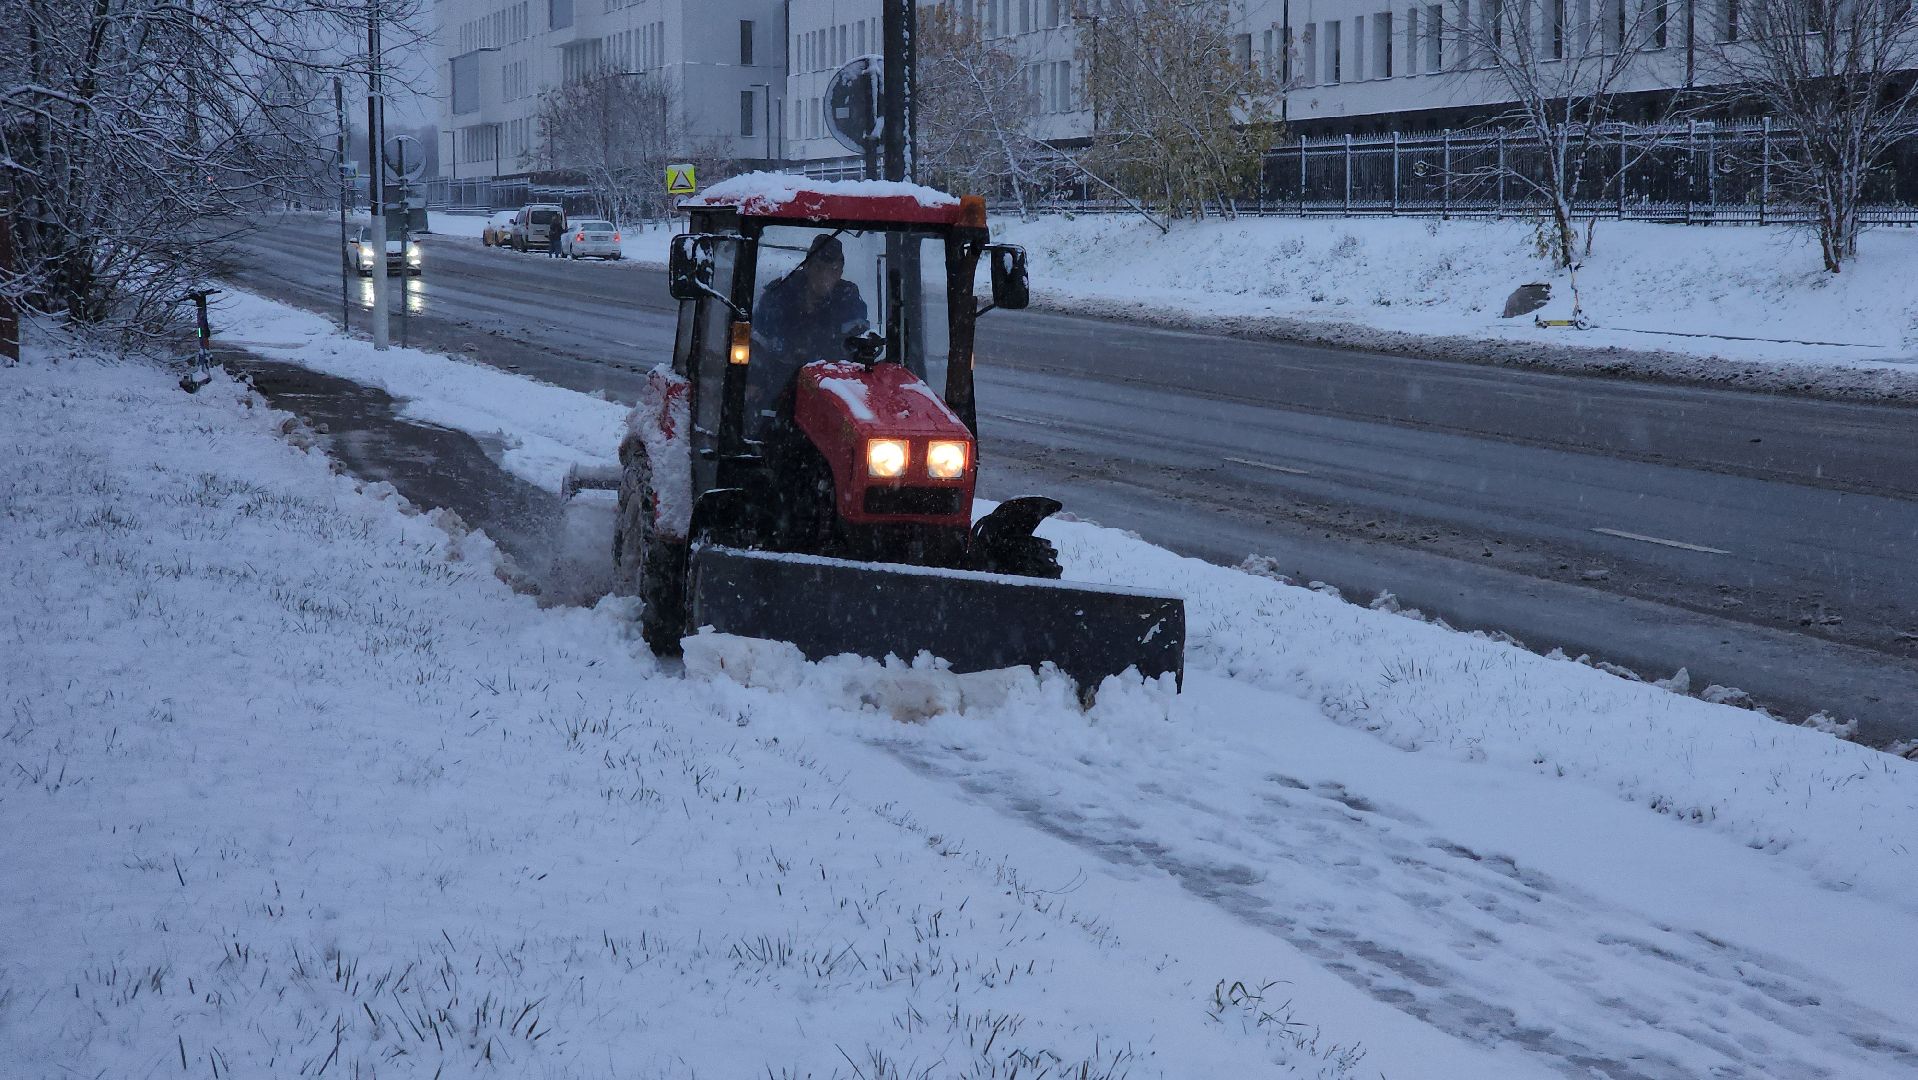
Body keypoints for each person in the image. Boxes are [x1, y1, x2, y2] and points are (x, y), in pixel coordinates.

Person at [747, 234, 869, 421]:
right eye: (819, 268)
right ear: (807, 267)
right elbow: (756, 341)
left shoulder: (848, 300)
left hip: (832, 385)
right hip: (777, 381)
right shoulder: (778, 296)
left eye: (833, 270)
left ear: (840, 272)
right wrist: (754, 378)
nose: (825, 276)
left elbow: (858, 346)